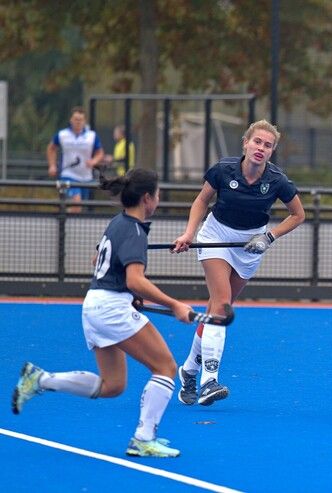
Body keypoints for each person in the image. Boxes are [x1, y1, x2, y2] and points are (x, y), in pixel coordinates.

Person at [11, 168, 193, 458]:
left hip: (95, 303)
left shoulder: (117, 223)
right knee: (166, 368)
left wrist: (128, 295)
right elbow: (135, 280)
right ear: (147, 198)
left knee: (113, 385)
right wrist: (174, 304)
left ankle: (40, 379)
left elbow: (98, 259)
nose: (157, 199)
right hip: (111, 308)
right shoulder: (134, 230)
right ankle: (143, 438)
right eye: (157, 194)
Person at [172, 119, 305, 407]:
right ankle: (209, 381)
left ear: (272, 152)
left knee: (215, 310)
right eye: (257, 142)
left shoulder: (278, 180)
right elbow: (201, 201)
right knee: (221, 306)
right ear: (245, 143)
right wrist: (189, 233)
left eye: (267, 145)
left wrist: (268, 237)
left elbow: (298, 215)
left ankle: (188, 370)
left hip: (249, 246)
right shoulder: (223, 170)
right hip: (215, 236)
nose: (261, 148)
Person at [47, 106, 105, 213]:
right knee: (77, 204)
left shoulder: (92, 136)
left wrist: (94, 161)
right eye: (76, 119)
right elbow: (51, 148)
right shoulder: (62, 134)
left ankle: (62, 214)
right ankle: (60, 217)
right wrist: (52, 165)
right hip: (68, 174)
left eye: (80, 119)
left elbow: (100, 153)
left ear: (84, 121)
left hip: (86, 177)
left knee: (80, 208)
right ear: (71, 120)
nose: (78, 122)